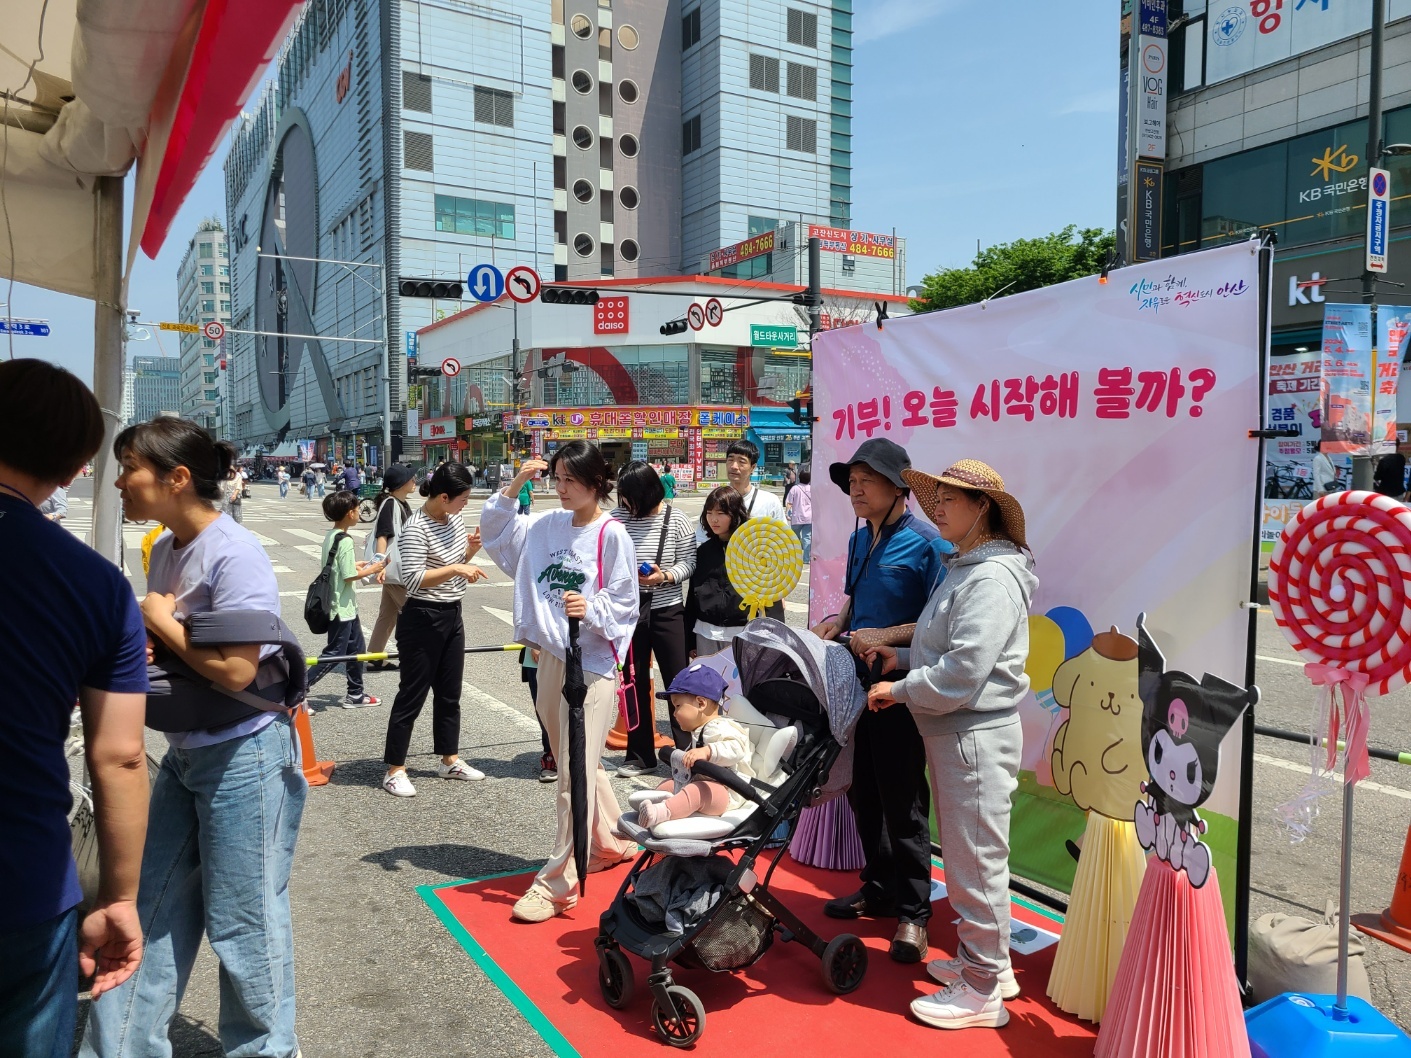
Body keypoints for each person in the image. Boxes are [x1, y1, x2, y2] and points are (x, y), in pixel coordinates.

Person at [83, 416, 307, 1058]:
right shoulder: (166, 546)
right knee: (149, 905)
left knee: (244, 920)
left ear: (177, 477)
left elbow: (238, 669)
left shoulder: (234, 552)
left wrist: (160, 620)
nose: (119, 482)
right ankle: (120, 1047)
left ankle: (266, 1048)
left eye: (130, 468)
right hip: (187, 751)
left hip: (246, 753)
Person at [0, 361, 149, 1058]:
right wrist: (118, 898)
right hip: (23, 879)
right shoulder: (96, 584)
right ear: (74, 467)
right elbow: (119, 756)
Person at [863, 459, 1036, 1031]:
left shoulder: (989, 578)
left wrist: (899, 687)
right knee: (971, 857)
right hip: (961, 733)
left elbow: (963, 671)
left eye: (949, 499)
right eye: (933, 498)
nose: (936, 508)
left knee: (974, 863)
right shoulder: (968, 568)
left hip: (973, 735)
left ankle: (982, 989)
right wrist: (902, 657)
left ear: (982, 508)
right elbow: (947, 650)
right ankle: (990, 967)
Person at [479, 442, 639, 922]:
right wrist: (515, 484)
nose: (561, 488)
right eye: (558, 478)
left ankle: (557, 883)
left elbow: (625, 601)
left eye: (571, 480)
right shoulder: (546, 525)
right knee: (578, 759)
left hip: (591, 663)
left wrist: (590, 608)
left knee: (573, 770)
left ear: (596, 482)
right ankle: (608, 841)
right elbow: (496, 534)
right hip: (551, 656)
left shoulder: (611, 534)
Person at [814, 438, 949, 967]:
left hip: (900, 687)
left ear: (899, 488)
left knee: (903, 799)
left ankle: (915, 912)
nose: (855, 489)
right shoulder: (858, 538)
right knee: (862, 790)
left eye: (866, 480)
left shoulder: (927, 544)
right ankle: (879, 886)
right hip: (856, 683)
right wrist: (839, 622)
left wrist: (883, 636)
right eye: (851, 481)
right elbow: (855, 596)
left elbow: (939, 623)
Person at [381, 462, 490, 797]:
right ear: (444, 497)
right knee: (412, 694)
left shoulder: (453, 519)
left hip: (452, 612)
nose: (465, 505)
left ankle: (449, 759)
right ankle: (395, 769)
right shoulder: (416, 528)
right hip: (422, 617)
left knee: (449, 693)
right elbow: (414, 580)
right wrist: (457, 567)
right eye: (463, 499)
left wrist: (470, 551)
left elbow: (453, 562)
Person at [611, 461, 698, 777]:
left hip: (668, 612)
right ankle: (639, 756)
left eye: (631, 497)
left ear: (648, 492)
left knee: (679, 683)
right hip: (629, 613)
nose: (626, 503)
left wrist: (665, 576)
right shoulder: (617, 518)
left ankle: (687, 755)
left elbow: (690, 561)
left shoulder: (676, 519)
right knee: (632, 682)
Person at [637, 665, 752, 829]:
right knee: (670, 784)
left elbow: (736, 749)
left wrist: (707, 752)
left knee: (697, 791)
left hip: (728, 792)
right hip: (704, 782)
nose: (674, 713)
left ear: (700, 703)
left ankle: (659, 813)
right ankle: (647, 809)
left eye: (678, 706)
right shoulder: (701, 729)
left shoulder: (720, 727)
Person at [307, 490, 385, 707]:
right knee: (335, 654)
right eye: (357, 509)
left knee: (357, 650)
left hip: (345, 605)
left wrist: (357, 565)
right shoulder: (346, 540)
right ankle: (298, 690)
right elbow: (348, 575)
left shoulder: (332, 535)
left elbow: (335, 567)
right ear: (350, 513)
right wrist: (372, 569)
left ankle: (356, 694)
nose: (359, 512)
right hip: (340, 607)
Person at [684, 485, 766, 658]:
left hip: (743, 633)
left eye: (721, 513)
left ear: (735, 514)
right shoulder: (703, 551)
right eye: (709, 512)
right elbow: (692, 597)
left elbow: (769, 595)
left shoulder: (754, 550)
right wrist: (690, 641)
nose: (713, 519)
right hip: (705, 632)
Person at [366, 464, 419, 672]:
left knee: (387, 615)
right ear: (400, 484)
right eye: (411, 478)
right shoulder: (390, 504)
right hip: (393, 569)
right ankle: (415, 656)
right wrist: (380, 566)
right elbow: (383, 535)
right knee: (414, 613)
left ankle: (374, 657)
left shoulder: (400, 503)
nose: (414, 481)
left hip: (396, 569)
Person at [697, 439, 784, 542]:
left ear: (753, 467)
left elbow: (783, 538)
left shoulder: (770, 501)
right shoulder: (716, 499)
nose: (734, 466)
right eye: (730, 460)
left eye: (741, 461)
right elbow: (701, 539)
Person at [787, 468, 813, 562]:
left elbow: (789, 503)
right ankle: (806, 558)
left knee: (795, 538)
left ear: (799, 477)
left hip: (796, 517)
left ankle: (795, 558)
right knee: (807, 538)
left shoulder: (795, 488)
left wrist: (787, 513)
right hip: (809, 518)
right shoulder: (812, 489)